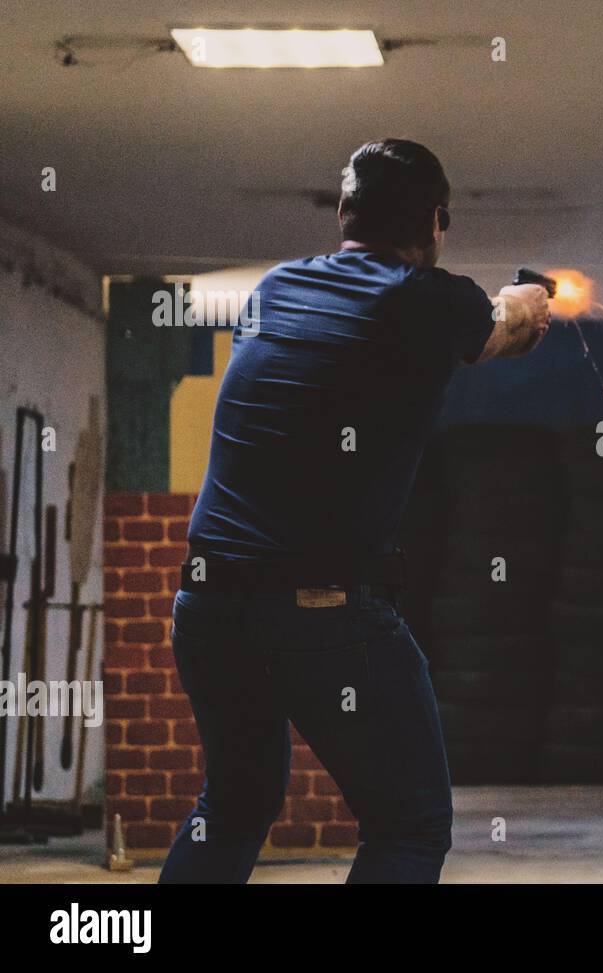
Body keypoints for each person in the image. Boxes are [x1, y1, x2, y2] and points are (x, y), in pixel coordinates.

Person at [158, 138, 550, 883]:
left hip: (206, 605)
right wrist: (527, 301)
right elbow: (506, 329)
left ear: (343, 211)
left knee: (235, 805)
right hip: (322, 610)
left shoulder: (276, 288)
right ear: (436, 223)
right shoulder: (429, 298)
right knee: (409, 826)